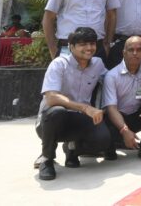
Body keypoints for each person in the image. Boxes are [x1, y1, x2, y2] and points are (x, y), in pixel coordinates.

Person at [34, 27, 110, 181]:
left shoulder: (98, 63)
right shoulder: (59, 64)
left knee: (103, 139)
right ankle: (47, 159)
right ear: (71, 46)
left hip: (79, 118)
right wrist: (85, 107)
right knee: (57, 112)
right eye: (83, 44)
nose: (89, 48)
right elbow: (51, 97)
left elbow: (113, 78)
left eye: (92, 43)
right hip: (51, 120)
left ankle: (72, 150)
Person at [102, 35, 141, 162]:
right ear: (124, 52)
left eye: (139, 50)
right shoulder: (112, 76)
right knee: (107, 122)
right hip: (117, 119)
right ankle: (110, 148)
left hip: (138, 115)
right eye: (131, 50)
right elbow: (111, 108)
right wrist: (124, 130)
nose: (135, 53)